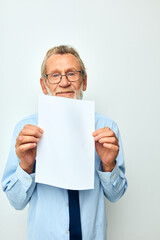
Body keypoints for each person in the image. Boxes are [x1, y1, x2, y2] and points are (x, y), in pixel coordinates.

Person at [1, 45, 127, 240]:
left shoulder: (106, 128)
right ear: (44, 86)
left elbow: (115, 196)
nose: (64, 82)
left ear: (84, 82)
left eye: (72, 74)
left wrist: (108, 165)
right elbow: (16, 202)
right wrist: (26, 166)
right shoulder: (25, 130)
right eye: (55, 75)